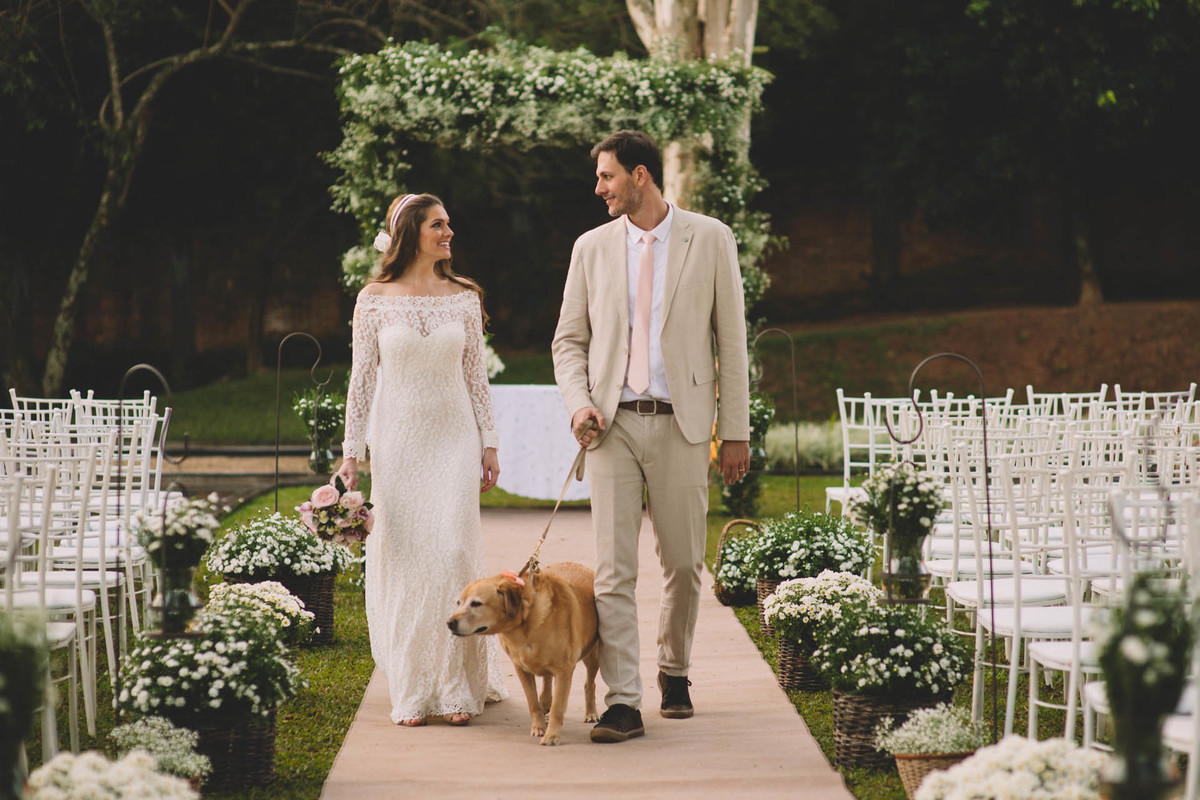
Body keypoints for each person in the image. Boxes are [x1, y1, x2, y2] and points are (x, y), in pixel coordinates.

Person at [552, 131, 751, 743]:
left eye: (607, 176)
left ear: (640, 175)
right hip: (610, 428)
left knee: (685, 563)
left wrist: (735, 432)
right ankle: (622, 700)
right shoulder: (590, 248)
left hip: (685, 424)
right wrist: (580, 403)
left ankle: (674, 670)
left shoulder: (711, 237)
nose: (599, 188)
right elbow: (570, 341)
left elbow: (732, 343)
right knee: (613, 571)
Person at [334, 192, 508, 727]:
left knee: (453, 548)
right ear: (412, 232)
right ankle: (412, 685)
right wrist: (351, 454)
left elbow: (476, 376)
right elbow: (361, 378)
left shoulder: (463, 296)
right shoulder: (373, 298)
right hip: (399, 442)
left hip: (454, 438)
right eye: (439, 224)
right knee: (408, 558)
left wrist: (489, 442)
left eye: (449, 224)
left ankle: (457, 685)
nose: (449, 232)